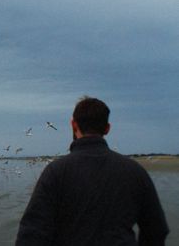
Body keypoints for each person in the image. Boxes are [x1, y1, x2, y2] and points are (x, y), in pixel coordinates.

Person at [15, 96, 169, 246]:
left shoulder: (55, 171)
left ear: (74, 125)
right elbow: (157, 230)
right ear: (107, 128)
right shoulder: (135, 171)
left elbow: (31, 233)